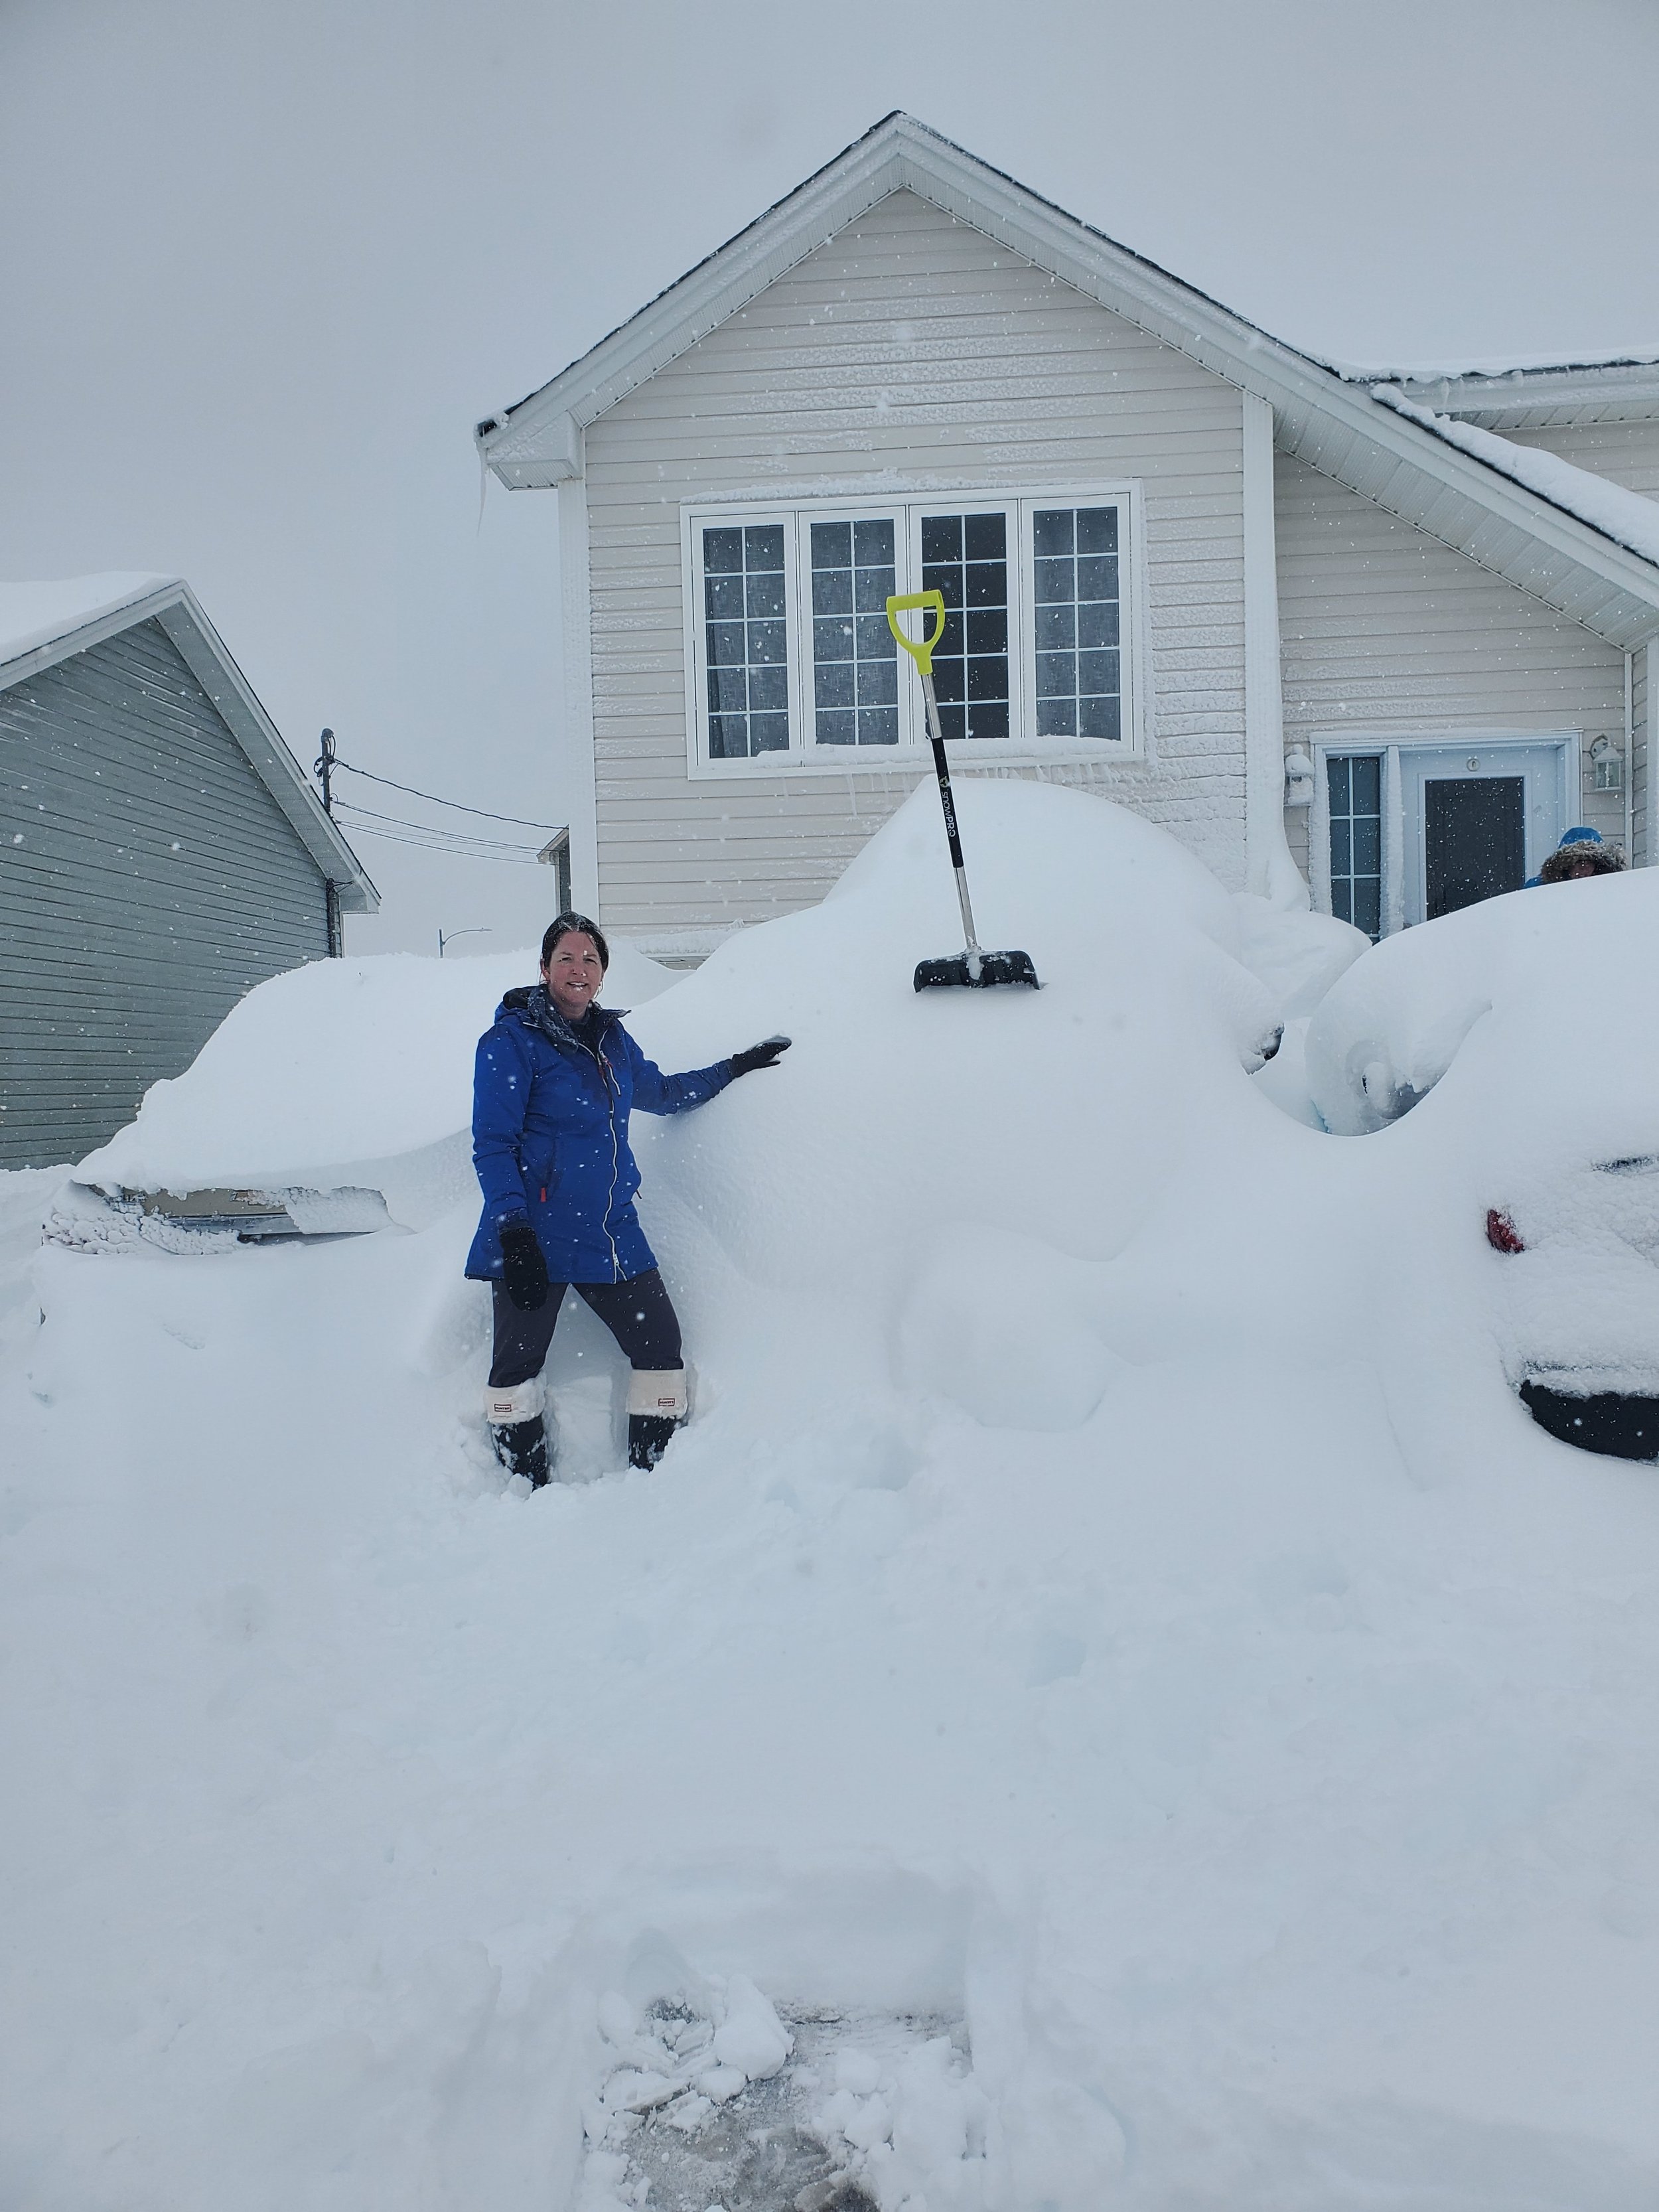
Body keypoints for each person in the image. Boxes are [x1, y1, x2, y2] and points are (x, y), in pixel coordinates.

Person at [465, 914, 789, 1485]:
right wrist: (514, 1230)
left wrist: (734, 1068)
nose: (579, 969)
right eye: (566, 958)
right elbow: (494, 1145)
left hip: (609, 1232)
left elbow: (663, 1092)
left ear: (602, 974)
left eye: (590, 959)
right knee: (516, 1364)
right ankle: (524, 1482)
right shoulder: (510, 1042)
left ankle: (652, 1473)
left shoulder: (611, 1040)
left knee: (660, 1345)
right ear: (544, 968)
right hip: (533, 1233)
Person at [1530, 825, 1628, 886]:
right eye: (1578, 861)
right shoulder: (1539, 888)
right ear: (1565, 864)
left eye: (1590, 862)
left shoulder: (1613, 888)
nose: (1584, 867)